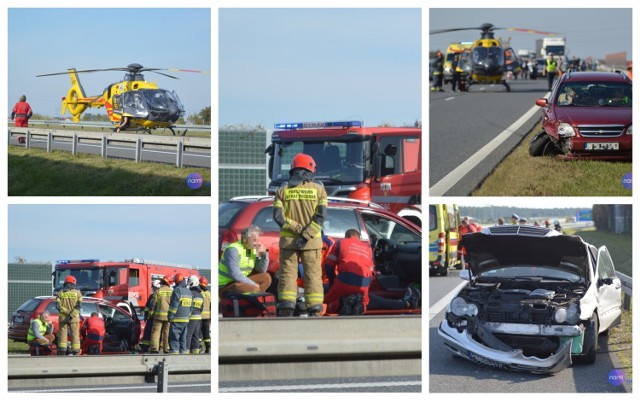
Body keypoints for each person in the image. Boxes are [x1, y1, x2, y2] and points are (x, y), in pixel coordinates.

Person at [273, 153, 328, 317]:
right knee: (312, 275)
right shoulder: (319, 190)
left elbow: (278, 217)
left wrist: (297, 229)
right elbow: (321, 217)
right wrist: (306, 233)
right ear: (310, 169)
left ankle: (286, 307)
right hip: (311, 242)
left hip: (289, 241)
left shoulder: (282, 190)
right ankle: (315, 309)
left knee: (288, 274)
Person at [324, 229, 420, 314]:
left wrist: (333, 283)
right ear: (359, 238)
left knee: (325, 300)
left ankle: (341, 303)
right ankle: (406, 303)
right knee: (377, 302)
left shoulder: (340, 243)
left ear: (347, 236)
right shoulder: (367, 248)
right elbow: (370, 276)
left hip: (343, 281)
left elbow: (328, 267)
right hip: (363, 284)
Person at [218, 225, 272, 297]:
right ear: (245, 240)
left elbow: (262, 269)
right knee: (253, 289)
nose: (257, 243)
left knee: (266, 277)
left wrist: (265, 254)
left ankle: (250, 301)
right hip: (224, 285)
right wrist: (254, 284)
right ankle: (254, 301)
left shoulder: (252, 249)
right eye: (254, 240)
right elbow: (235, 275)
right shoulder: (233, 250)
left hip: (240, 282)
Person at [56, 275, 82, 355]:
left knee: (62, 334)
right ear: (73, 284)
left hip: (63, 317)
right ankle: (76, 350)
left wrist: (66, 312)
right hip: (74, 318)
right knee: (75, 334)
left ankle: (62, 349)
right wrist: (71, 314)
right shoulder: (78, 293)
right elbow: (79, 306)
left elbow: (58, 306)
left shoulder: (60, 293)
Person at [168, 273, 192, 354]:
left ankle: (174, 354)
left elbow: (174, 306)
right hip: (186, 320)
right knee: (183, 338)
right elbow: (191, 307)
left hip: (176, 319)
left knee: (174, 338)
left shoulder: (177, 290)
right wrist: (188, 316)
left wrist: (170, 316)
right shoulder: (189, 291)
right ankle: (183, 354)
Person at [150, 275, 173, 353]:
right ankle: (166, 349)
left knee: (156, 332)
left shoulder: (158, 291)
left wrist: (151, 314)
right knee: (167, 333)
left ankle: (154, 349)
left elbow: (153, 304)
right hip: (168, 317)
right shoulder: (172, 291)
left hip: (158, 316)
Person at [140, 279, 161, 352]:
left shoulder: (155, 296)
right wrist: (146, 315)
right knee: (150, 332)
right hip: (155, 318)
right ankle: (148, 347)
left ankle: (151, 347)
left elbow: (148, 307)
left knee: (151, 332)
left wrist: (146, 316)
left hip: (154, 318)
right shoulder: (152, 296)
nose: (153, 288)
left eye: (153, 287)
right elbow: (147, 307)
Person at [186, 275, 204, 354]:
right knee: (196, 336)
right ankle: (196, 352)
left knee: (188, 335)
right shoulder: (200, 294)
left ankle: (186, 351)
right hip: (198, 317)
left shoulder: (191, 293)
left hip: (192, 317)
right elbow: (201, 308)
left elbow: (189, 306)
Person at [199, 276, 211, 354]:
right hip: (207, 317)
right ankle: (208, 348)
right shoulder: (209, 293)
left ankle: (199, 347)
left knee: (199, 334)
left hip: (199, 316)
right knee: (206, 334)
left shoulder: (199, 293)